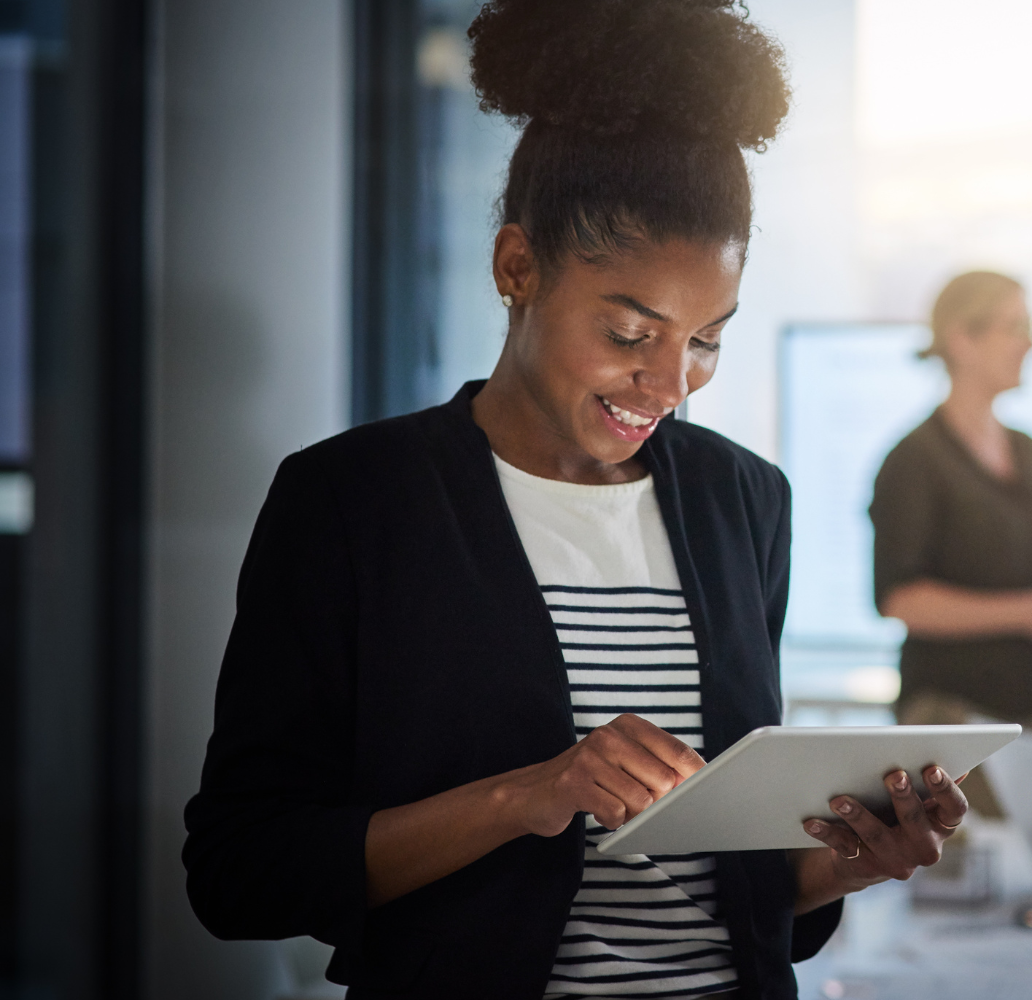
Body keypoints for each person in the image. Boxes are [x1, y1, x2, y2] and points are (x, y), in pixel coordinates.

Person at [182, 3, 968, 997]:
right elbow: (241, 874)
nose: (672, 384)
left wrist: (853, 858)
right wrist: (531, 793)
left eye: (707, 338)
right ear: (517, 268)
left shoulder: (743, 498)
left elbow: (742, 892)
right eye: (632, 334)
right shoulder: (353, 501)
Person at [869, 272, 1032, 812]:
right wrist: (1027, 611)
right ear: (961, 339)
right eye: (1015, 326)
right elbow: (902, 600)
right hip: (955, 720)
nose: (1030, 342)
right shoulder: (913, 461)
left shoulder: (1027, 449)